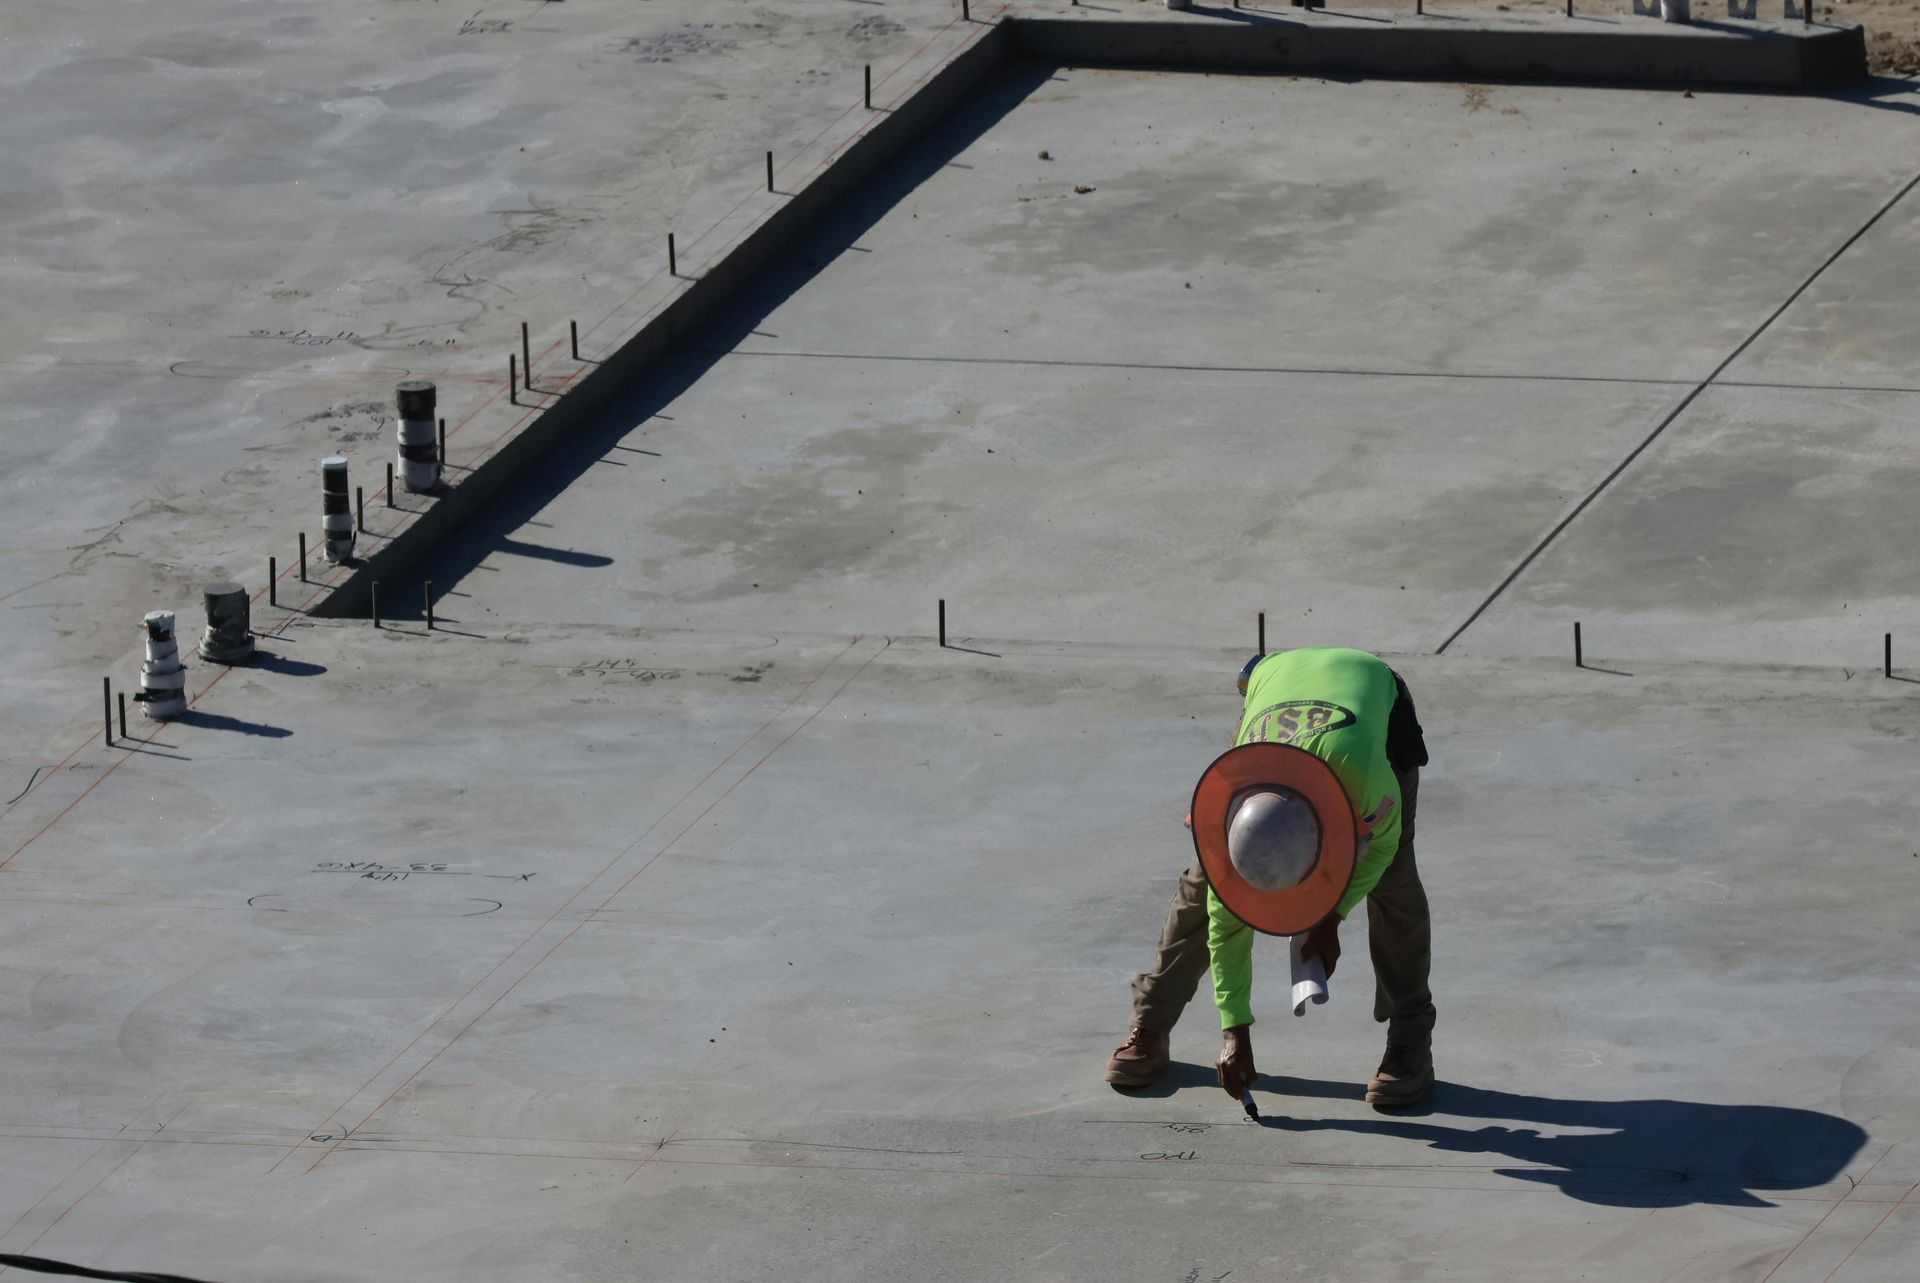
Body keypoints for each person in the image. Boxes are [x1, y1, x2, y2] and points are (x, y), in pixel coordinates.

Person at [1105, 647, 1434, 1109]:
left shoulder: (1364, 778)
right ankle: (1151, 1026)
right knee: (1204, 886)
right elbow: (1226, 926)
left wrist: (1330, 918)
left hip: (1367, 697)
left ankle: (1411, 1043)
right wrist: (1234, 1030)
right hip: (1276, 682)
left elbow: (1381, 844)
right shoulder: (1225, 804)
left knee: (1393, 885)